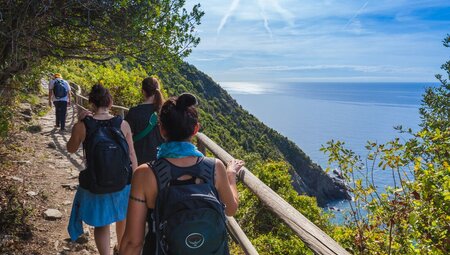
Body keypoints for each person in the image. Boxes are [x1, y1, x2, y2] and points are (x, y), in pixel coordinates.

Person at [120, 93, 243, 255]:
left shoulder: (145, 174)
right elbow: (231, 209)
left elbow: (133, 243)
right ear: (196, 129)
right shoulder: (215, 167)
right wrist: (230, 176)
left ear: (161, 129)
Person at [67, 84, 138, 255]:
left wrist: (78, 123)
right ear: (110, 102)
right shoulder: (123, 124)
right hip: (123, 181)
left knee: (102, 224)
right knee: (123, 217)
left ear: (91, 103)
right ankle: (121, 249)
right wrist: (135, 179)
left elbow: (70, 148)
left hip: (96, 181)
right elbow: (132, 155)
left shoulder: (83, 126)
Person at [125, 77, 165, 165]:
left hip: (140, 161)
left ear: (143, 91)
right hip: (161, 160)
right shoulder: (164, 111)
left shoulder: (134, 112)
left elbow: (127, 139)